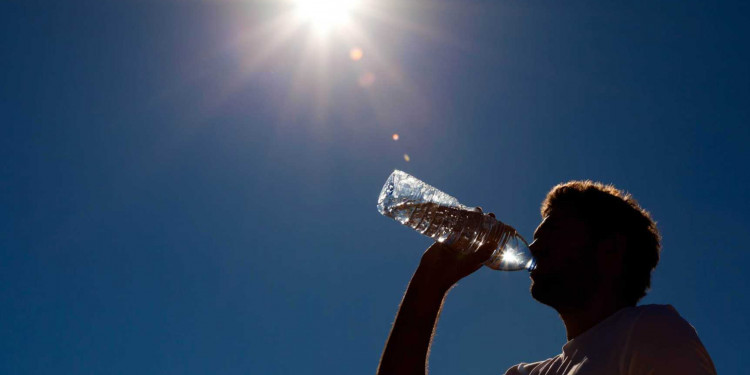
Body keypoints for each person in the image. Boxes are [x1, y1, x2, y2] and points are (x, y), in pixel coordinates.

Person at [376, 180, 716, 375]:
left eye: (553, 230)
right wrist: (429, 284)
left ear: (610, 250)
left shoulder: (649, 331)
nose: (534, 244)